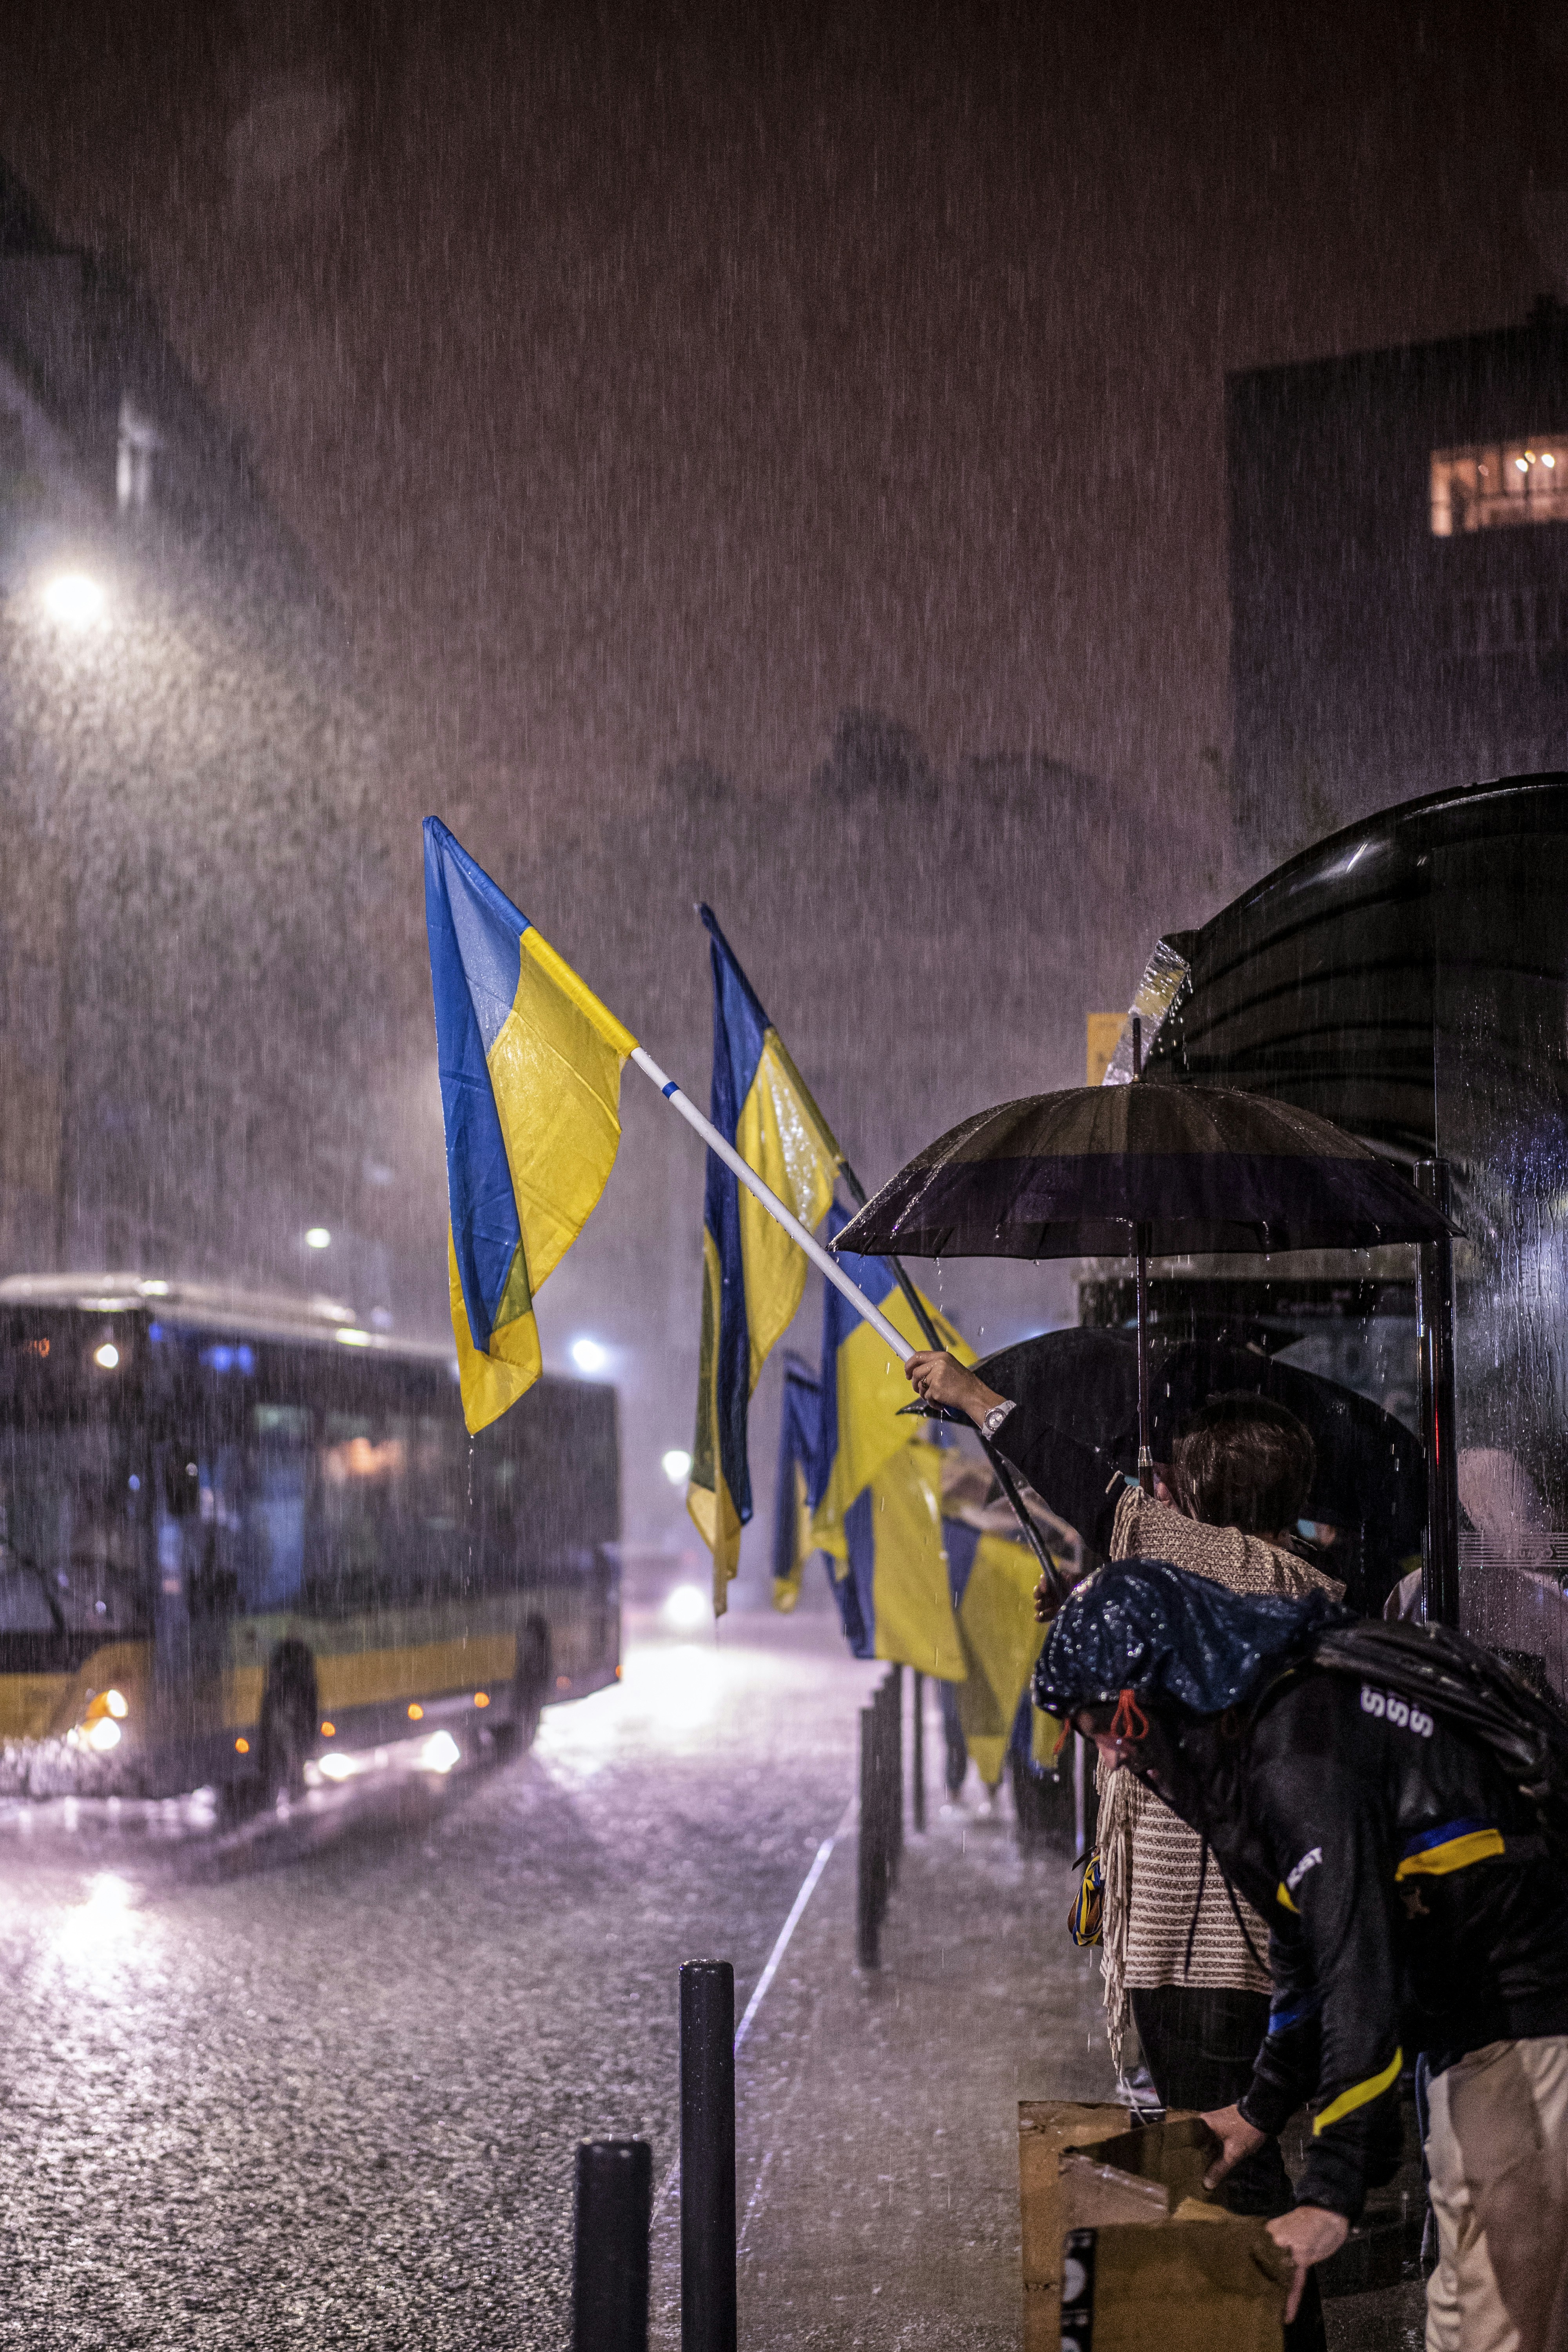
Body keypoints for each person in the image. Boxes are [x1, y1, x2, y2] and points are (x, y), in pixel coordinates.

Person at [908, 1353, 1339, 2349]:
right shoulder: (1250, 1595)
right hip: (1199, 1945)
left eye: (1173, 1489)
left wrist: (975, 1403)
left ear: (1204, 1502)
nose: (1154, 1499)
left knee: (1233, 2173)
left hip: (1215, 1949)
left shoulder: (1259, 1575)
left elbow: (1097, 1501)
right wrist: (1099, 1617)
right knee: (1222, 2166)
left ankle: (1269, 2337)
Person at [1031, 1554, 1568, 2346]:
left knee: (1497, 2326)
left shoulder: (1296, 1752)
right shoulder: (1251, 1727)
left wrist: (1328, 2194)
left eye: (1103, 1727)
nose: (1108, 1756)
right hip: (1471, 2015)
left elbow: (1358, 1967)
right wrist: (1261, 2106)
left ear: (1151, 1691)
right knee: (1465, 2307)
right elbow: (1304, 1942)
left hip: (1525, 2012)